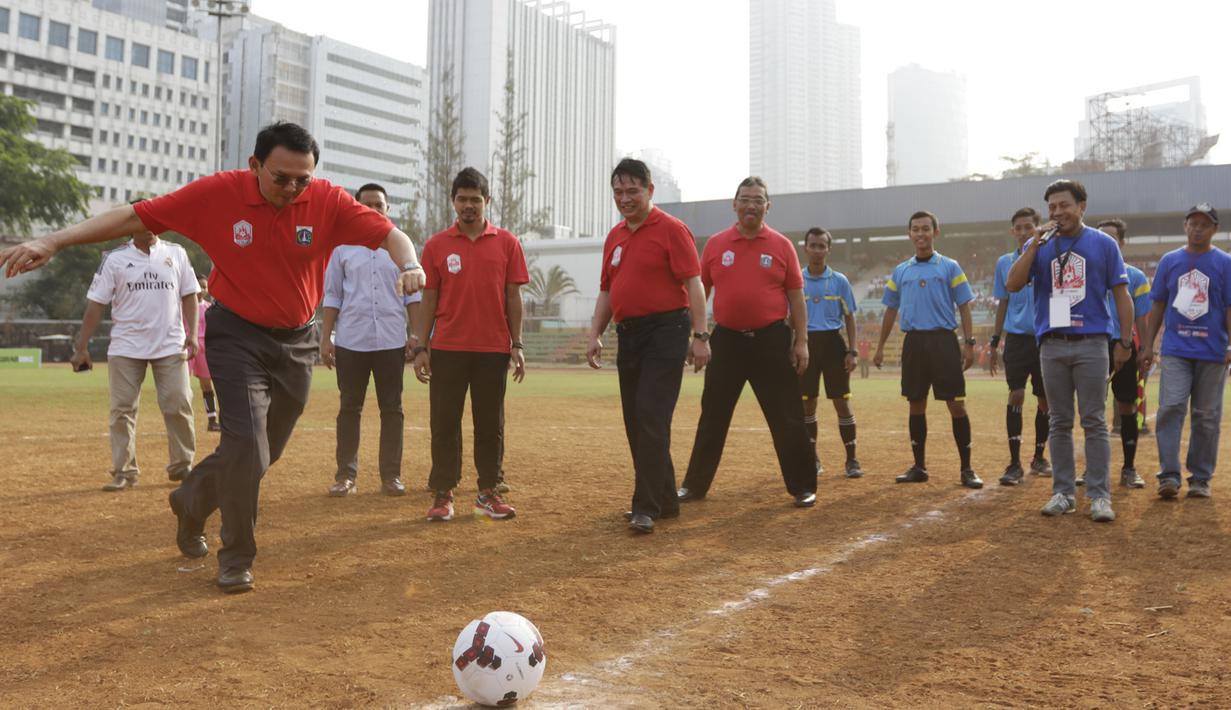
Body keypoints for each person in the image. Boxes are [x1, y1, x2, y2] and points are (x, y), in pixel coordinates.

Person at [0, 122, 426, 593]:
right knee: (246, 446)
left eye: (302, 179)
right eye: (281, 177)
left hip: (297, 342)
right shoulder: (218, 194)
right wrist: (53, 240)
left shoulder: (325, 200)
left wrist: (409, 264)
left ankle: (192, 498)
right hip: (235, 334)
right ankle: (237, 555)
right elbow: (132, 217)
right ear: (255, 166)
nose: (292, 188)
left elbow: (391, 234)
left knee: (268, 451)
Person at [675, 177, 818, 507]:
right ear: (734, 204)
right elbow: (700, 293)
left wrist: (802, 342)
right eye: (745, 199)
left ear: (768, 206)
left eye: (758, 200)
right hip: (727, 341)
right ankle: (694, 486)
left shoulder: (782, 246)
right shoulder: (715, 244)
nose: (751, 205)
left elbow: (797, 298)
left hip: (771, 340)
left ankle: (803, 486)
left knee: (787, 416)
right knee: (713, 415)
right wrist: (696, 335)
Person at [585, 158, 710, 534]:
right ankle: (666, 499)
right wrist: (595, 333)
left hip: (666, 331)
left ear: (650, 190)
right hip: (629, 335)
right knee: (636, 421)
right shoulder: (615, 236)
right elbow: (607, 290)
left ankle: (645, 505)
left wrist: (700, 336)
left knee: (651, 417)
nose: (625, 198)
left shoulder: (672, 230)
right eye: (618, 192)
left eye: (632, 191)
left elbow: (694, 284)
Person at [1005, 179, 1132, 523]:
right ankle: (1062, 492)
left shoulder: (1104, 244)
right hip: (1052, 343)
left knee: (1094, 421)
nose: (1058, 212)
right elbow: (1013, 284)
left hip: (1092, 342)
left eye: (1065, 205)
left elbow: (1122, 294)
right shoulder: (1040, 245)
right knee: (1059, 421)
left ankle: (1099, 495)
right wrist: (1032, 246)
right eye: (1052, 207)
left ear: (1082, 206)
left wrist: (1124, 341)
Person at [413, 168, 528, 522]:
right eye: (462, 199)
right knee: (444, 422)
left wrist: (517, 344)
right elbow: (428, 300)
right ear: (453, 201)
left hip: (493, 349)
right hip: (447, 348)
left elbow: (514, 297)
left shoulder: (507, 242)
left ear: (487, 202)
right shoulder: (436, 245)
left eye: (475, 199)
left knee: (489, 424)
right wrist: (421, 346)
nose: (468, 205)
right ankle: (443, 493)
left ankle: (488, 492)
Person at [70, 207, 199, 491]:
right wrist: (81, 347)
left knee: (179, 403)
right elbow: (96, 304)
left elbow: (190, 295)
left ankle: (183, 465)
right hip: (126, 347)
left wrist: (193, 335)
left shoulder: (176, 253)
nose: (152, 225)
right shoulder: (114, 259)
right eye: (145, 219)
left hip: (171, 343)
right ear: (129, 225)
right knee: (122, 410)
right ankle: (124, 472)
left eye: (157, 219)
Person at [320, 183, 421, 498]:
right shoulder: (342, 248)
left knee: (393, 409)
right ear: (356, 208)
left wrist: (415, 336)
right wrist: (326, 338)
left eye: (379, 205)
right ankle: (345, 475)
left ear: (388, 209)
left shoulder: (401, 246)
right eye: (367, 205)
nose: (374, 210)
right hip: (352, 340)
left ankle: (391, 476)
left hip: (391, 340)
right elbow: (333, 295)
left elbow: (413, 295)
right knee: (349, 408)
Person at [873, 211, 982, 489]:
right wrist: (881, 345)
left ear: (936, 232)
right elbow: (890, 309)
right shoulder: (901, 271)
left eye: (925, 229)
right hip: (914, 343)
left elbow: (964, 306)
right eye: (915, 229)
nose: (920, 234)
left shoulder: (950, 266)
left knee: (956, 404)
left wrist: (969, 344)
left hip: (944, 341)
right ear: (909, 234)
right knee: (915, 403)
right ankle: (919, 466)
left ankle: (967, 469)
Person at [1139, 204, 1231, 500]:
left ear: (1214, 229)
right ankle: (1169, 475)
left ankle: (1200, 477)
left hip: (1213, 351)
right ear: (1185, 226)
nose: (1198, 228)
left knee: (1206, 415)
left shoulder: (1225, 263)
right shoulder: (1170, 261)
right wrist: (1148, 345)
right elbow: (1158, 305)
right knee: (1170, 408)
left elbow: (1229, 308)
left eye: (1204, 224)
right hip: (1176, 350)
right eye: (1193, 223)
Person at [989, 207, 1051, 486]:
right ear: (1012, 231)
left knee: (1045, 400)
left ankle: (1039, 456)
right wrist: (994, 339)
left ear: (1038, 228)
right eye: (1020, 228)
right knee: (1016, 395)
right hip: (1015, 340)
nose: (1024, 232)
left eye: (1030, 227)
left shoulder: (1049, 257)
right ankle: (1013, 462)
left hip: (1045, 338)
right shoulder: (1004, 262)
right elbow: (1003, 301)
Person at [797, 226, 863, 478]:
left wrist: (852, 350)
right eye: (812, 245)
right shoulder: (796, 279)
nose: (817, 250)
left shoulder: (840, 281)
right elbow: (789, 317)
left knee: (842, 402)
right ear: (805, 248)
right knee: (807, 404)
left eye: (821, 245)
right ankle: (812, 459)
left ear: (828, 249)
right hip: (806, 344)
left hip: (834, 345)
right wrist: (794, 345)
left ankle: (852, 460)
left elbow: (850, 317)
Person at [1095, 218, 1150, 488]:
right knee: (1091, 408)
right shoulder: (1089, 272)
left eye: (1112, 238)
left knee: (1126, 405)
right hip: (1092, 344)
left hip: (1123, 345)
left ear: (1122, 243)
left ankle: (1129, 468)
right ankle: (1092, 470)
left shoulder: (1135, 277)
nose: (1106, 243)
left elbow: (1143, 318)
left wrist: (1145, 349)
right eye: (1100, 237)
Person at [188, 276, 220, 432]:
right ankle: (184, 421)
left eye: (205, 287)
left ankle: (212, 420)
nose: (202, 290)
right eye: (199, 286)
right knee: (182, 386)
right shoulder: (184, 305)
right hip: (187, 345)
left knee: (207, 384)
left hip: (205, 347)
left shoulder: (209, 307)